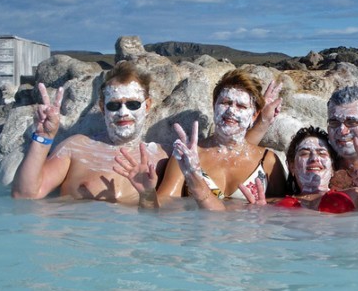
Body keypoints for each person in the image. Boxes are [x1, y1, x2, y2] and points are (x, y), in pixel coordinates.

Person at [166, 86, 358, 213]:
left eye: (352, 122)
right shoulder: (330, 163)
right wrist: (259, 122)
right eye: (334, 122)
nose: (342, 130)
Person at [115, 69, 287, 209]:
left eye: (241, 106)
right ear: (214, 107)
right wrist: (147, 194)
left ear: (254, 115)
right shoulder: (187, 156)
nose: (231, 111)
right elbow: (160, 212)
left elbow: (284, 212)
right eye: (225, 103)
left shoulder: (267, 161)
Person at [11, 61, 168, 204]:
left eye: (133, 104)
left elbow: (159, 221)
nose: (123, 113)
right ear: (102, 108)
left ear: (147, 106)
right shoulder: (76, 147)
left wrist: (147, 194)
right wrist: (43, 137)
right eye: (114, 105)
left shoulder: (161, 158)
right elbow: (24, 195)